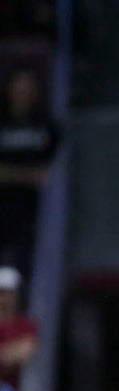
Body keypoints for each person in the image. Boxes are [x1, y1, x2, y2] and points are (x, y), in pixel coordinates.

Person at [0, 68, 59, 283]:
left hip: (30, 212)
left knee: (24, 264)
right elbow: (34, 174)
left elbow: (47, 173)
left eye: (28, 89)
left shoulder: (47, 126)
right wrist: (26, 174)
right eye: (19, 89)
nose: (23, 94)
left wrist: (9, 173)